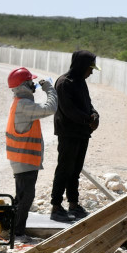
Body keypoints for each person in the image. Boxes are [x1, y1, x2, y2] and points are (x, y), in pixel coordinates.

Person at [6, 67, 57, 242]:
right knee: (26, 197)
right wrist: (49, 88)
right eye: (31, 82)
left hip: (22, 159)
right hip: (24, 159)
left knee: (22, 196)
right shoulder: (23, 105)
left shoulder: (19, 102)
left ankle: (13, 228)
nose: (34, 84)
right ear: (25, 85)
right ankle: (17, 232)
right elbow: (50, 108)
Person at [50, 50, 101, 222]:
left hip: (82, 133)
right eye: (90, 68)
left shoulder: (80, 82)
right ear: (81, 66)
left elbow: (88, 104)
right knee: (64, 169)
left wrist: (95, 115)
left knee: (75, 170)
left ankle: (73, 203)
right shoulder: (65, 83)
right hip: (68, 133)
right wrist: (88, 120)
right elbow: (69, 110)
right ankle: (56, 206)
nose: (91, 72)